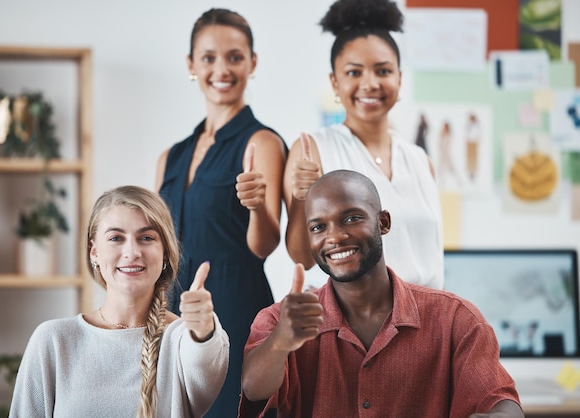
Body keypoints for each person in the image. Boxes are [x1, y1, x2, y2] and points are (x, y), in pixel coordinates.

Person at [240, 170, 524, 418]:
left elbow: (500, 401)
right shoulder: (281, 319)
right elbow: (253, 389)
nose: (335, 236)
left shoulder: (456, 319)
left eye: (351, 218)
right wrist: (280, 342)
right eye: (318, 227)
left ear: (383, 223)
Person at [154, 8, 287, 417]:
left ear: (252, 63)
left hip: (235, 307)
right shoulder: (171, 156)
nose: (221, 69)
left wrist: (257, 208)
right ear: (192, 65)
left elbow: (264, 247)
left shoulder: (261, 142)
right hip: (172, 312)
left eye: (234, 56)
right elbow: (157, 242)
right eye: (209, 57)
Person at [9, 186, 229, 418]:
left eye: (146, 238)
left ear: (165, 252)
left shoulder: (183, 339)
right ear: (94, 252)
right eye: (116, 238)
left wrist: (203, 329)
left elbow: (206, 365)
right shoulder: (53, 340)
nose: (132, 252)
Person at [283, 0, 443, 290]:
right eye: (354, 73)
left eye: (382, 71)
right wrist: (299, 198)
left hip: (424, 321)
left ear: (399, 78)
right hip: (349, 324)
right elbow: (301, 258)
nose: (370, 84)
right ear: (334, 82)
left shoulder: (421, 160)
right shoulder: (313, 150)